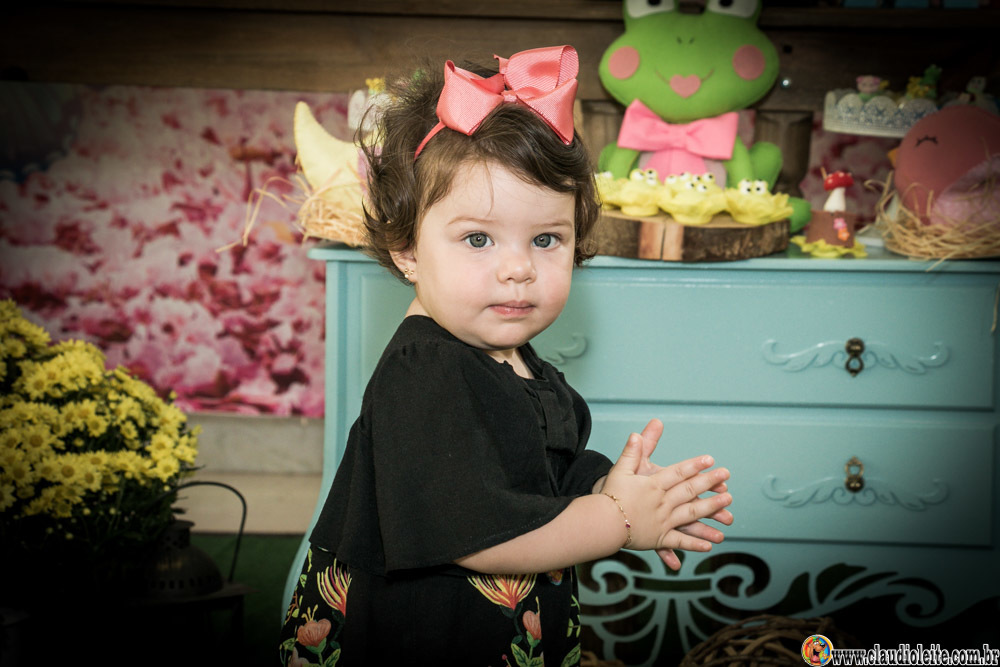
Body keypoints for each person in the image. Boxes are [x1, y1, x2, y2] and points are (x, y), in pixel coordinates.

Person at [278, 45, 733, 666]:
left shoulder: (508, 354)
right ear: (407, 249)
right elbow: (476, 535)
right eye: (478, 238)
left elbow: (534, 472)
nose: (519, 268)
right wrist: (620, 519)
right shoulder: (425, 371)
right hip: (415, 638)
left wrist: (609, 484)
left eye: (546, 239)